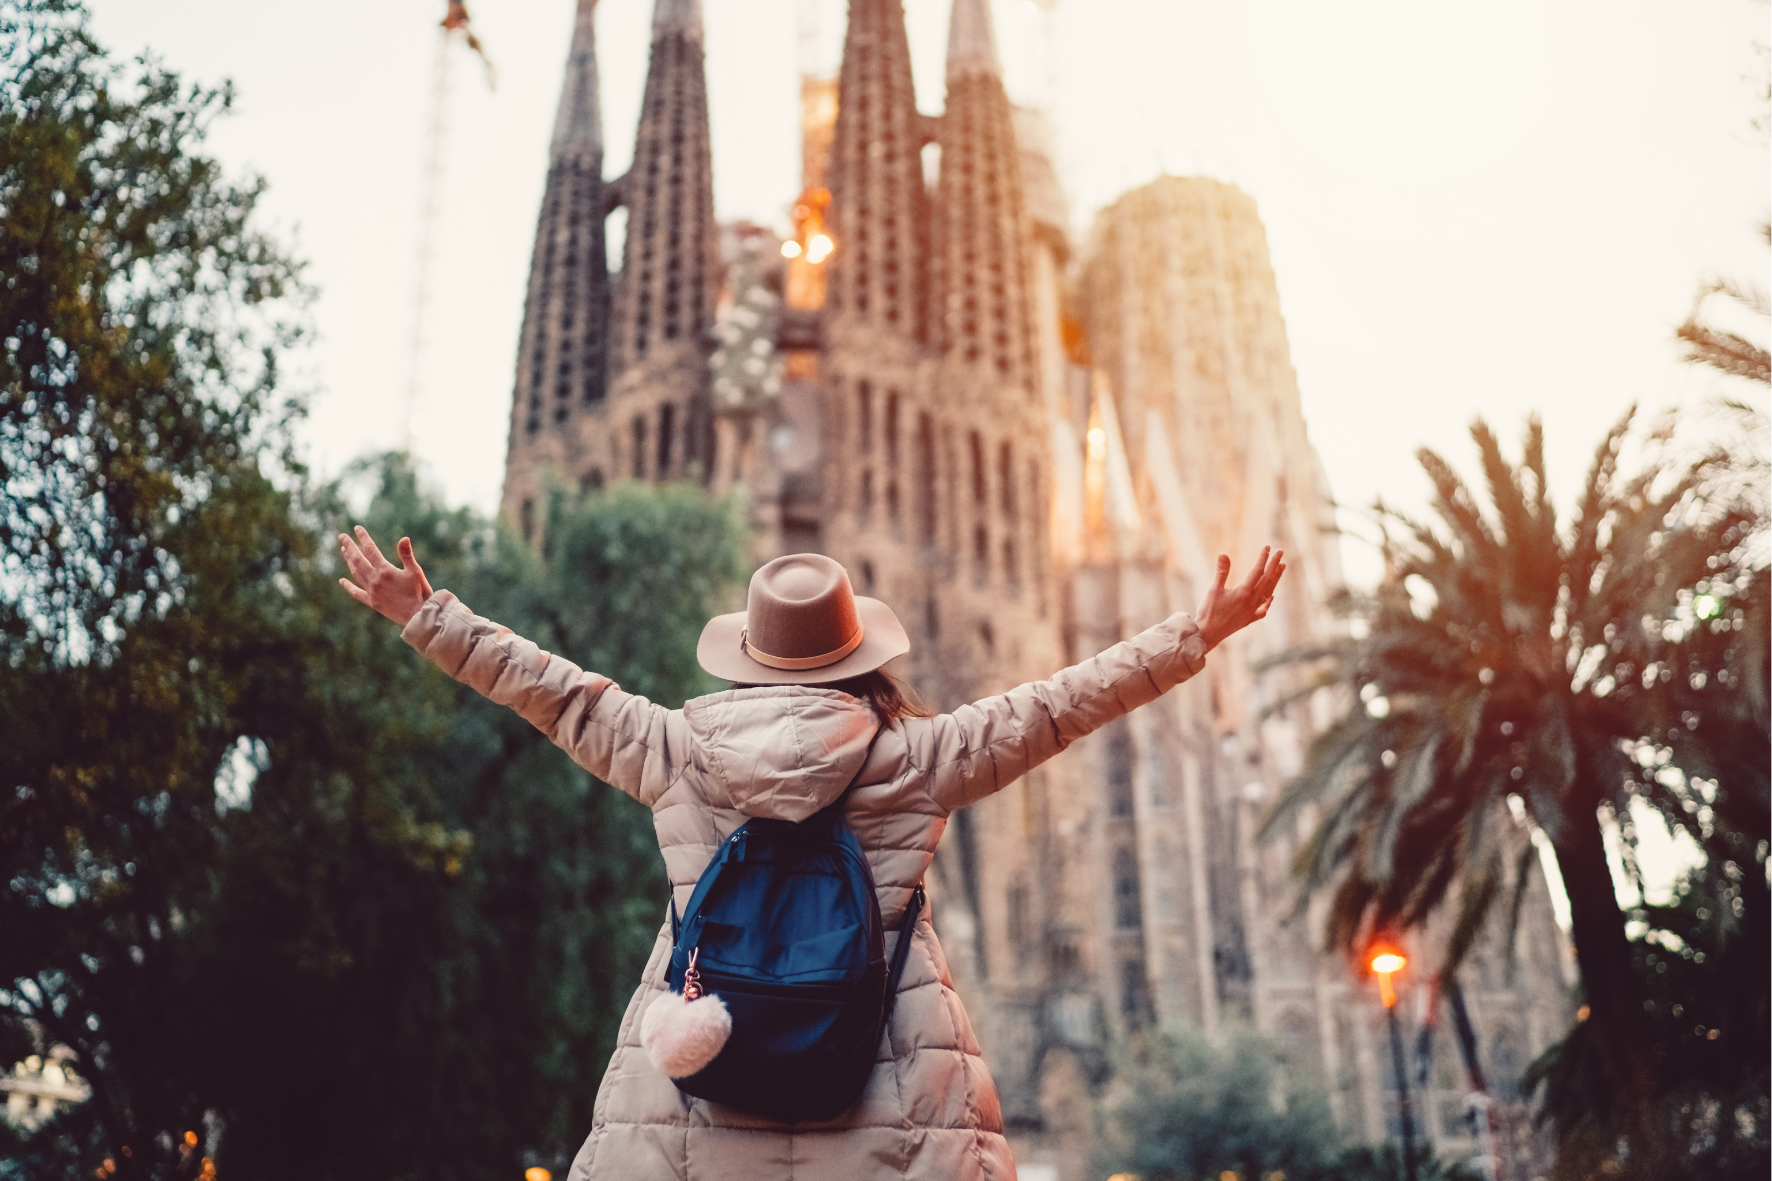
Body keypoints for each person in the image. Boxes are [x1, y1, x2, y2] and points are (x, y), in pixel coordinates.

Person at [337, 526, 1284, 1181]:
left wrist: (427, 614)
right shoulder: (918, 758)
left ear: (747, 658)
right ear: (860, 659)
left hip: (698, 1097)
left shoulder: (675, 750)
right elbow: (1060, 704)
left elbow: (554, 692)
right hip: (887, 1093)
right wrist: (1196, 632)